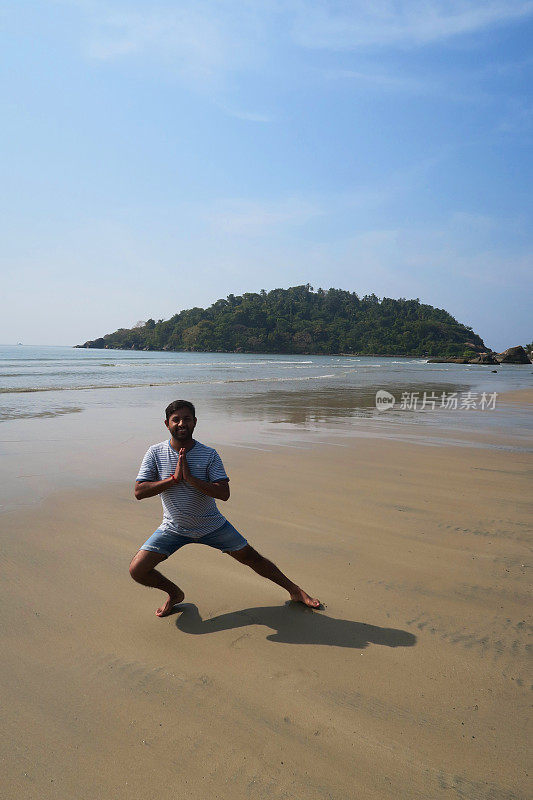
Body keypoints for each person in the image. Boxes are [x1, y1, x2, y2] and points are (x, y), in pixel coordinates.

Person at [129, 400, 321, 617]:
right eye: (176, 420)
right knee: (137, 570)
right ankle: (175, 594)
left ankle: (295, 591)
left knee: (252, 558)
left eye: (187, 419)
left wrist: (190, 479)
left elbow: (224, 493)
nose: (182, 423)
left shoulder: (209, 454)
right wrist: (173, 479)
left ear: (195, 423)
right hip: (173, 527)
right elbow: (139, 491)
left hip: (212, 525)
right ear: (167, 424)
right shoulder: (155, 453)